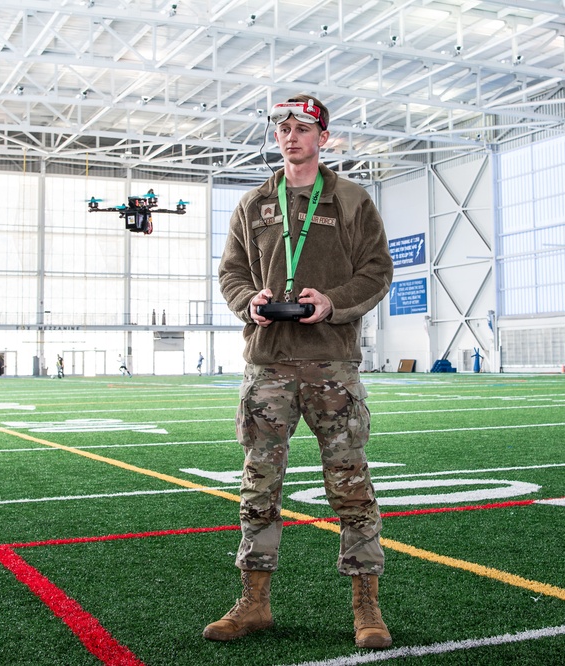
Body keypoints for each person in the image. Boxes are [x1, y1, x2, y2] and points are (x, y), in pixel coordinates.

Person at [204, 94, 394, 649]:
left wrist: (331, 302)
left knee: (350, 483)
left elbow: (378, 271)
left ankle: (366, 605)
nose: (292, 136)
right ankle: (254, 601)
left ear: (323, 137)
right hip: (268, 364)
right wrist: (250, 301)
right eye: (283, 127)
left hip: (331, 361)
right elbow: (231, 272)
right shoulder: (253, 204)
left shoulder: (353, 201)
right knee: (258, 484)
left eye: (304, 128)